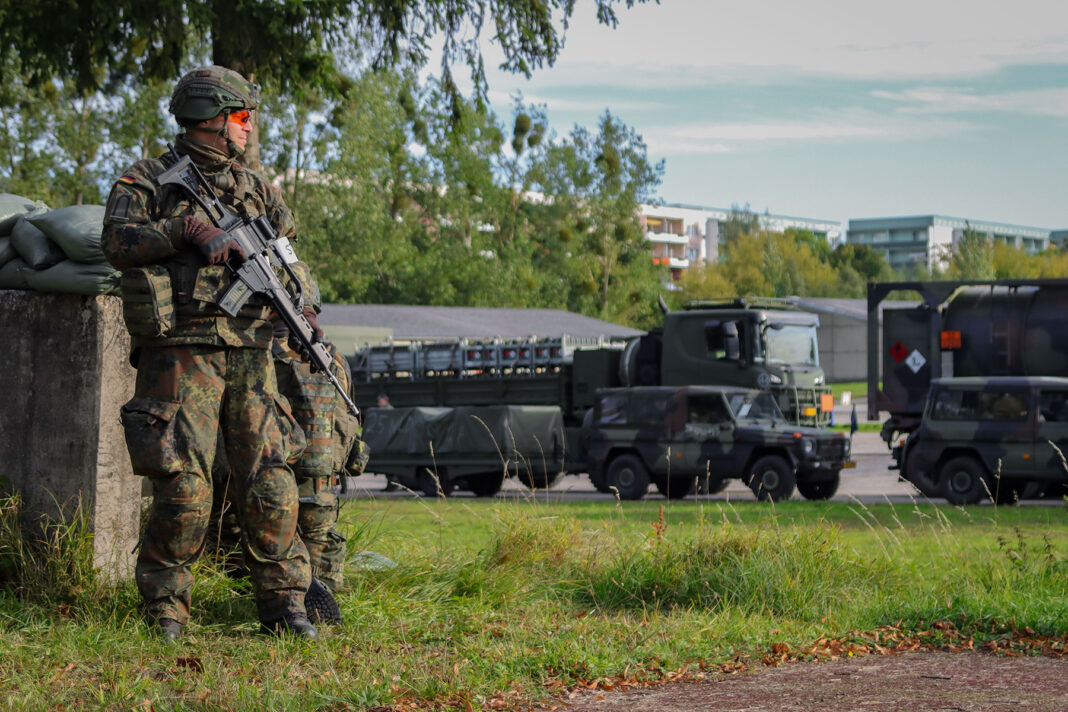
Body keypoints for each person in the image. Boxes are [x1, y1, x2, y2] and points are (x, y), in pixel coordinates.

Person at [102, 65, 321, 641]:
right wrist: (188, 231)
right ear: (214, 118)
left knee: (269, 477)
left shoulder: (259, 192)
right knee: (184, 482)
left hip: (252, 350)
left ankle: (285, 603)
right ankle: (166, 608)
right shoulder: (146, 180)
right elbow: (117, 242)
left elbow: (292, 264)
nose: (249, 130)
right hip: (181, 352)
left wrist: (305, 310)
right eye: (243, 118)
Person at [210, 338, 369, 622]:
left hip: (264, 493)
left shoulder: (257, 352)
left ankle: (279, 606)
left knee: (243, 554)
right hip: (320, 497)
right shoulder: (333, 358)